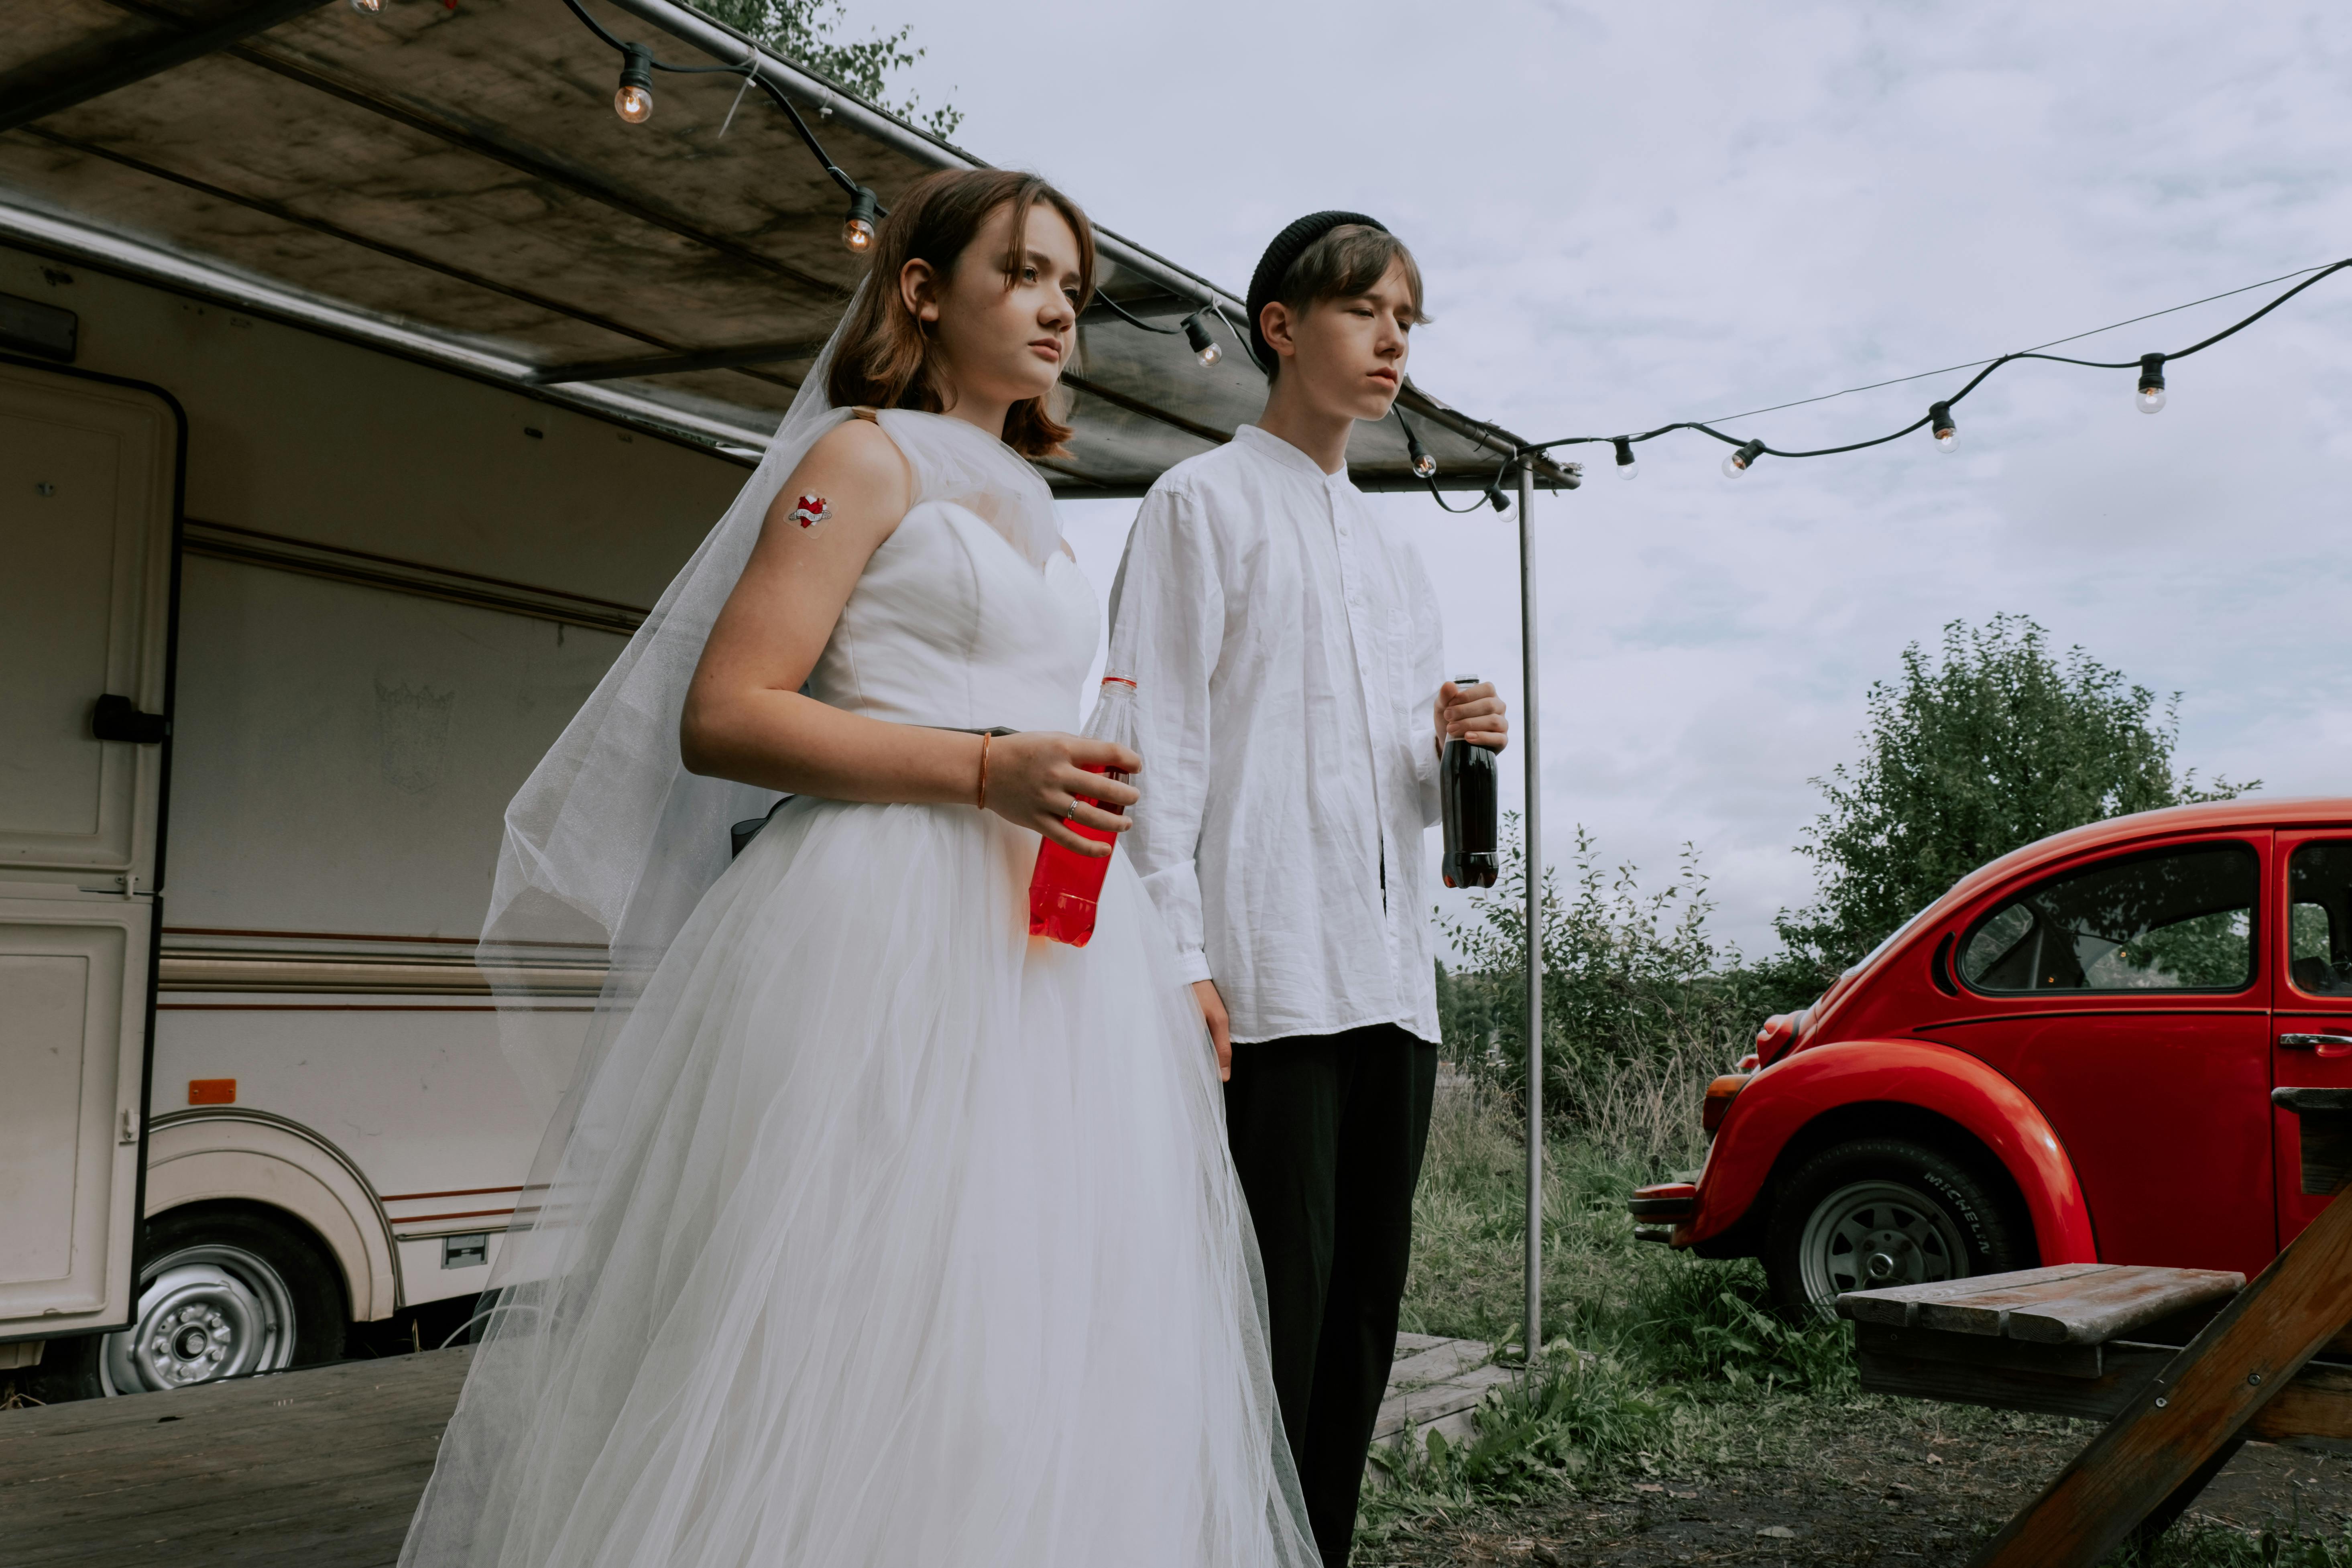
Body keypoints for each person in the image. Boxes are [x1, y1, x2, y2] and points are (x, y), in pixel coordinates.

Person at [398, 169, 1318, 1568]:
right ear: (920, 291)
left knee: (1027, 1313)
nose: (1058, 305)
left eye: (1072, 283)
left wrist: (1072, 789)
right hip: (878, 927)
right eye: (1021, 273)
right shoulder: (862, 459)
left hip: (1046, 943)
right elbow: (728, 712)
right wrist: (982, 764)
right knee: (859, 1302)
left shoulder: (1029, 490)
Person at [1106, 211, 1509, 1566]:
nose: (1393, 337)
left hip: (1389, 985)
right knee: (1257, 1325)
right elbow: (1153, 749)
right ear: (1280, 326)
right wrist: (1179, 957)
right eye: (1364, 309)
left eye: (1408, 315)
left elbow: (1384, 792)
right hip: (1261, 979)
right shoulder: (1198, 505)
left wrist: (1450, 748)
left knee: (1361, 1330)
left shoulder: (1395, 555)